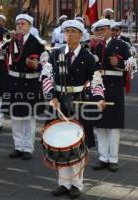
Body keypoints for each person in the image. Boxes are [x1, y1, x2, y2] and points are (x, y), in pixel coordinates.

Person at [41, 20, 105, 198]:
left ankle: (77, 183)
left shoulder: (88, 57)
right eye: (66, 31)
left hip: (79, 102)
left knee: (76, 142)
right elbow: (46, 76)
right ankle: (63, 182)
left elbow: (95, 80)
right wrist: (51, 96)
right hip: (59, 102)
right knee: (60, 142)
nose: (68, 34)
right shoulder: (55, 54)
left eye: (73, 31)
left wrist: (99, 98)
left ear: (81, 35)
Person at [0, 14, 45, 160]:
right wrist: (7, 40)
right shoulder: (11, 40)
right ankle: (18, 146)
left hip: (30, 82)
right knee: (15, 116)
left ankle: (28, 148)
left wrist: (37, 66)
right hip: (14, 81)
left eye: (23, 24)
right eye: (18, 24)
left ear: (30, 26)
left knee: (29, 117)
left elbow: (46, 64)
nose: (19, 26)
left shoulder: (38, 42)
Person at [91, 19, 132, 172]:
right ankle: (102, 158)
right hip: (99, 86)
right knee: (101, 125)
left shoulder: (121, 45)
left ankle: (113, 158)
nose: (101, 32)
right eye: (98, 30)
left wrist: (119, 64)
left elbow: (132, 64)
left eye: (103, 29)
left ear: (110, 29)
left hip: (115, 87)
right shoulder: (94, 46)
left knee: (113, 125)